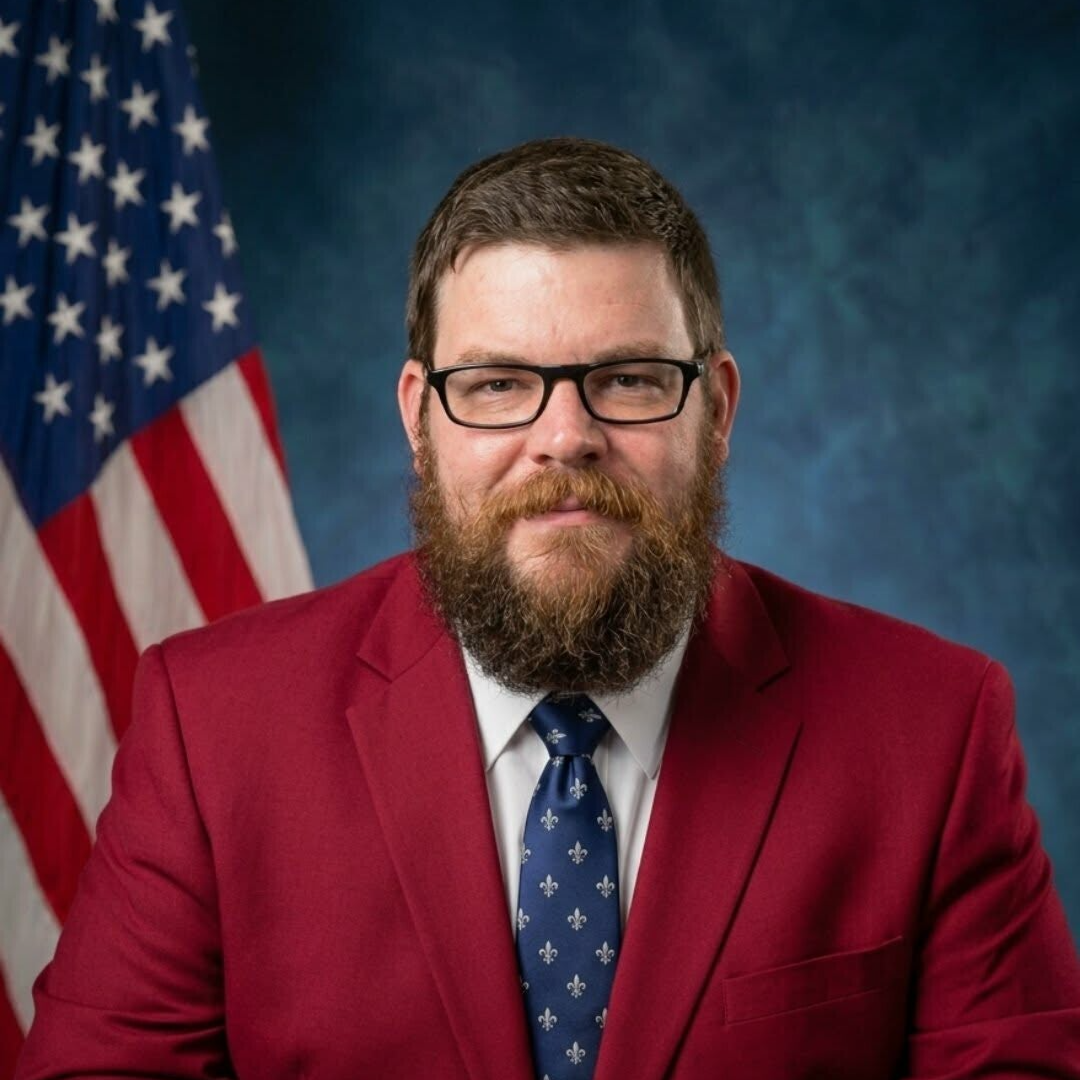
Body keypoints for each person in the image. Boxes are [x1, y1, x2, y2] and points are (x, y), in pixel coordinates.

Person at [17, 137, 1080, 1079]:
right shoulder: (215, 724)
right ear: (420, 421)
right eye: (496, 385)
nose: (565, 437)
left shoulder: (931, 730)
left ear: (716, 411)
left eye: (628, 380)